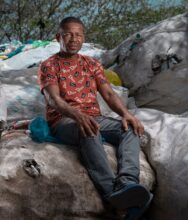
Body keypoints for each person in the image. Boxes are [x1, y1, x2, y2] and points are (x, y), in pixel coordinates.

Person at [37, 17, 152, 219]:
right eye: (68, 34)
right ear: (58, 37)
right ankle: (112, 193)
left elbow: (108, 93)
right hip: (64, 120)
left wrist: (126, 114)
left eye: (78, 34)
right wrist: (77, 115)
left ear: (83, 38)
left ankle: (127, 183)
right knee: (89, 130)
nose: (74, 39)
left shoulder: (91, 64)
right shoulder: (49, 65)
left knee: (130, 129)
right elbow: (54, 99)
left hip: (94, 117)